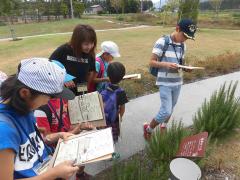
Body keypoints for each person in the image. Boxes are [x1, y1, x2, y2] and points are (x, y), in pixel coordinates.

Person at [0, 58, 79, 179]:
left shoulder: (25, 108)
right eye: (50, 96)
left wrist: (57, 135)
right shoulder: (4, 130)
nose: (49, 101)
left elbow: (32, 145)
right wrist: (53, 174)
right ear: (25, 93)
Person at [34, 60, 94, 180]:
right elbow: (46, 138)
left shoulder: (64, 98)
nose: (65, 83)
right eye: (61, 81)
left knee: (82, 156)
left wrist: (79, 128)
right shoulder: (40, 108)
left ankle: (80, 175)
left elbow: (67, 124)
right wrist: (71, 133)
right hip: (55, 153)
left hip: (68, 141)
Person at [143, 19, 197, 140]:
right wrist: (166, 65)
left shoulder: (183, 45)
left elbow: (181, 63)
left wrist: (186, 68)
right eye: (184, 36)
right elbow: (151, 62)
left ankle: (164, 126)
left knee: (171, 108)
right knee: (166, 110)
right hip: (165, 83)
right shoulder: (162, 42)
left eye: (188, 37)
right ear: (177, 28)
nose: (185, 39)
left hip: (178, 82)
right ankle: (148, 129)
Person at [49, 24, 97, 95]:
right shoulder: (64, 50)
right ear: (76, 42)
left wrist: (84, 90)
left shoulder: (90, 54)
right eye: (86, 44)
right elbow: (49, 65)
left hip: (80, 90)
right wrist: (64, 77)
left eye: (92, 43)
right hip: (63, 91)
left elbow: (90, 73)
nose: (89, 47)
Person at [100, 62, 128, 143]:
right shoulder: (121, 92)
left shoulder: (103, 88)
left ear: (108, 75)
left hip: (104, 120)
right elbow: (122, 108)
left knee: (103, 137)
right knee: (112, 137)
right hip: (114, 120)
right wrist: (120, 117)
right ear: (122, 77)